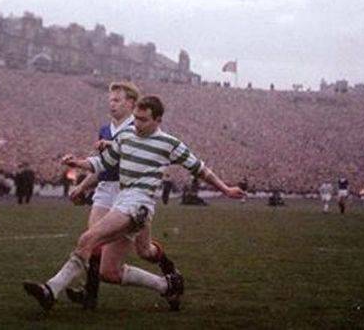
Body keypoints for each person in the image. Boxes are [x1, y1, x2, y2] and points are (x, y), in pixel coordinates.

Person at [23, 95, 245, 312]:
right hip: (124, 200)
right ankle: (166, 286)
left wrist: (225, 188)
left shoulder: (169, 143)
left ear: (158, 120)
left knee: (88, 239)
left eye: (143, 120)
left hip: (139, 204)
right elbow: (103, 163)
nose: (137, 124)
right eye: (136, 118)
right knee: (109, 272)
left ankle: (51, 290)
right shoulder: (126, 135)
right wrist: (77, 162)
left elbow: (200, 169)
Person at [66, 82, 178, 310]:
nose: (112, 104)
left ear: (131, 104)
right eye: (110, 99)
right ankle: (90, 294)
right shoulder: (105, 130)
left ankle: (169, 271)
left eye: (117, 100)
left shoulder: (137, 129)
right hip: (107, 190)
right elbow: (104, 167)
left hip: (132, 194)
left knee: (144, 250)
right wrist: (83, 186)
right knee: (93, 240)